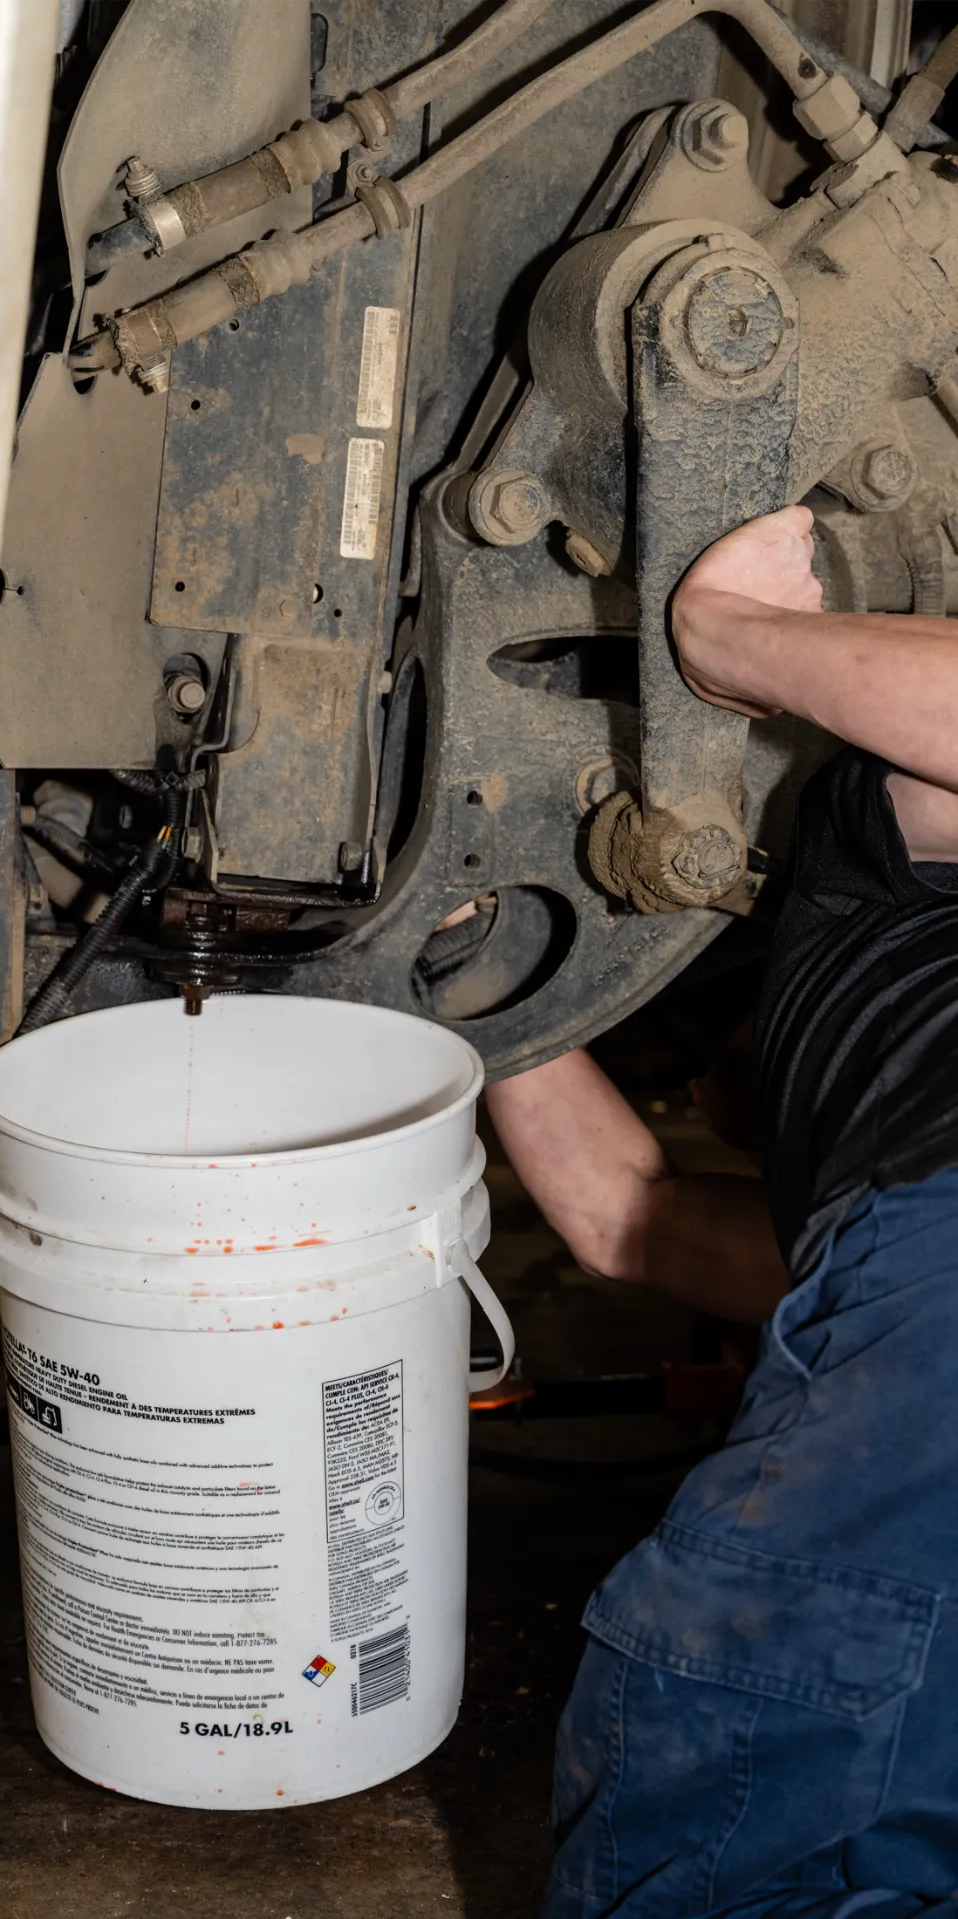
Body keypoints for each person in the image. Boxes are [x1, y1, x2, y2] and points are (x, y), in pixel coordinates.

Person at [487, 504, 958, 1919]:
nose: (699, 1087)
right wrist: (481, 974)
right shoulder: (848, 1222)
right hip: (903, 1272)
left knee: (754, 1822)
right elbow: (620, 1218)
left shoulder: (889, 864)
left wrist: (734, 639)